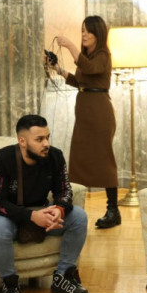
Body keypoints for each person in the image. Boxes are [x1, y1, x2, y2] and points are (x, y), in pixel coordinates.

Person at [0, 114, 89, 293]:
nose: (46, 143)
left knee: (79, 217)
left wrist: (59, 209)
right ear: (22, 141)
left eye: (47, 137)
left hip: (40, 211)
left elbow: (64, 191)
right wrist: (31, 217)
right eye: (39, 139)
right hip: (6, 216)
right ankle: (10, 285)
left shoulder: (55, 156)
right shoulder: (1, 160)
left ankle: (63, 277)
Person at [52, 15, 121, 229]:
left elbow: (91, 69)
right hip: (84, 115)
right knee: (78, 159)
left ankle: (113, 210)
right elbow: (80, 80)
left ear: (97, 34)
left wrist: (70, 46)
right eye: (82, 30)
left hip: (99, 114)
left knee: (104, 160)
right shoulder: (86, 56)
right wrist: (58, 69)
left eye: (88, 31)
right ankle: (71, 208)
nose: (84, 34)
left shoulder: (103, 55)